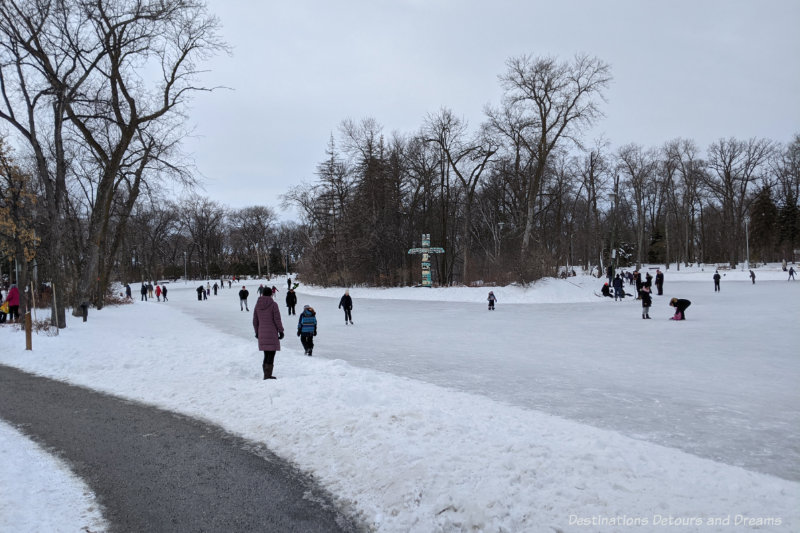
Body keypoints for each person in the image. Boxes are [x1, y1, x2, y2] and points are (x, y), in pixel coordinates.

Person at [253, 289, 284, 379]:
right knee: (271, 353)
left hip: (262, 332)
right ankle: (268, 375)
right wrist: (281, 331)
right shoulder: (274, 305)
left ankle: (266, 374)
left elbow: (255, 320)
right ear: (271, 294)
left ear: (262, 294)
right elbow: (277, 319)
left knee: (266, 354)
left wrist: (257, 332)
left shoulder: (257, 305)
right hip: (272, 332)